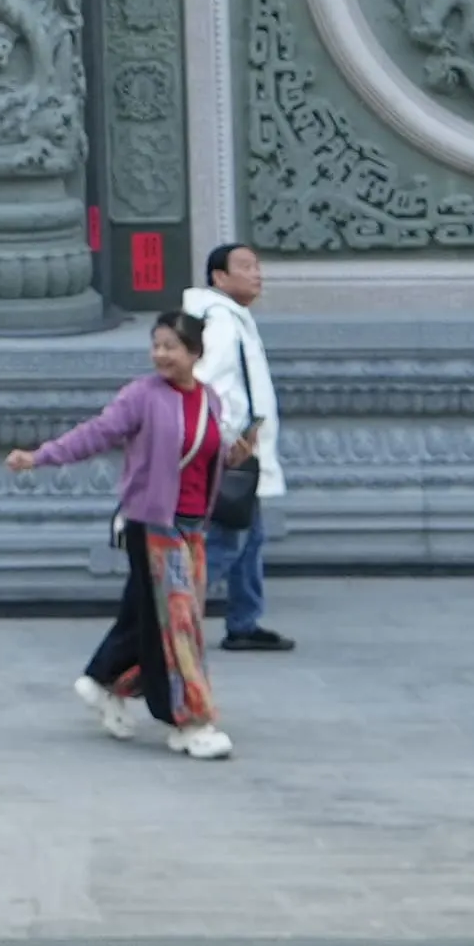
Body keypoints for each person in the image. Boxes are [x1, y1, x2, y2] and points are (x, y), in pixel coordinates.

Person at [14, 309, 237, 759]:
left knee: (150, 618)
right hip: (154, 524)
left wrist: (235, 454)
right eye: (156, 345)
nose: (160, 354)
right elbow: (96, 434)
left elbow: (208, 454)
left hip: (194, 526)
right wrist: (40, 457)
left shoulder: (210, 399)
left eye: (170, 346)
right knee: (180, 627)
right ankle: (188, 721)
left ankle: (105, 682)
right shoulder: (142, 396)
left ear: (194, 352)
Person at [175, 240, 288, 652]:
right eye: (245, 266)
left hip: (245, 452)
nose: (256, 273)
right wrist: (226, 436)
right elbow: (207, 383)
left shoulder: (231, 317)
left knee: (250, 536)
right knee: (228, 540)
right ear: (219, 277)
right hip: (233, 452)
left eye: (257, 265)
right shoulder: (221, 322)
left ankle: (244, 621)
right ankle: (172, 612)